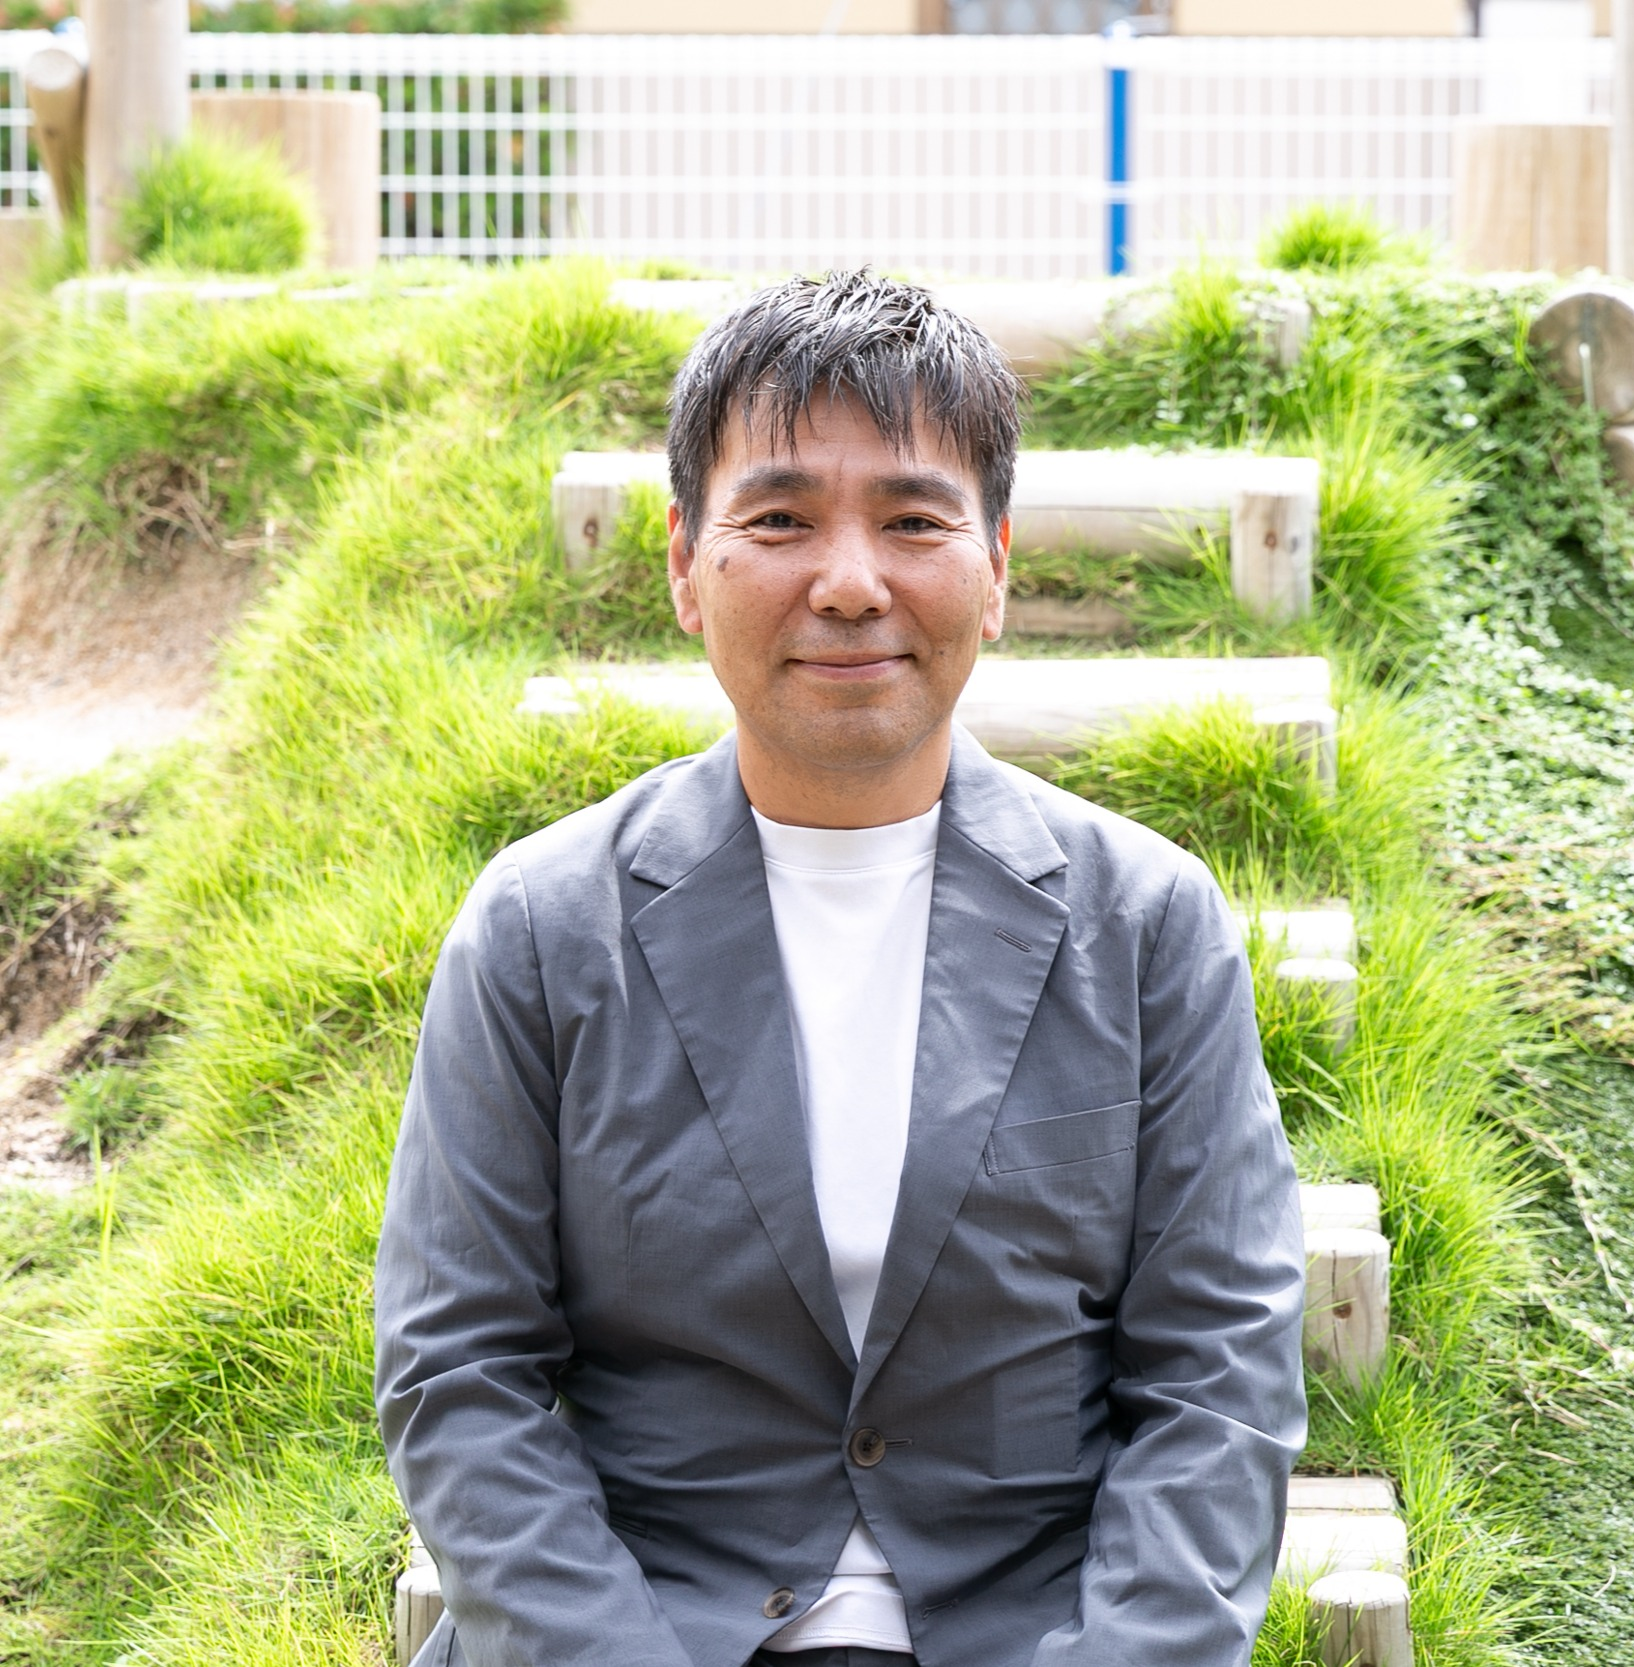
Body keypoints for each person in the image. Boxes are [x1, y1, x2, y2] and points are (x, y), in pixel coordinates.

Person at [374, 269, 1307, 1667]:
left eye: (915, 520)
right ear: (684, 565)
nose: (853, 582)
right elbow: (460, 1373)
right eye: (780, 520)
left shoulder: (1147, 925)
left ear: (996, 567)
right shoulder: (541, 928)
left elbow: (1215, 1381)